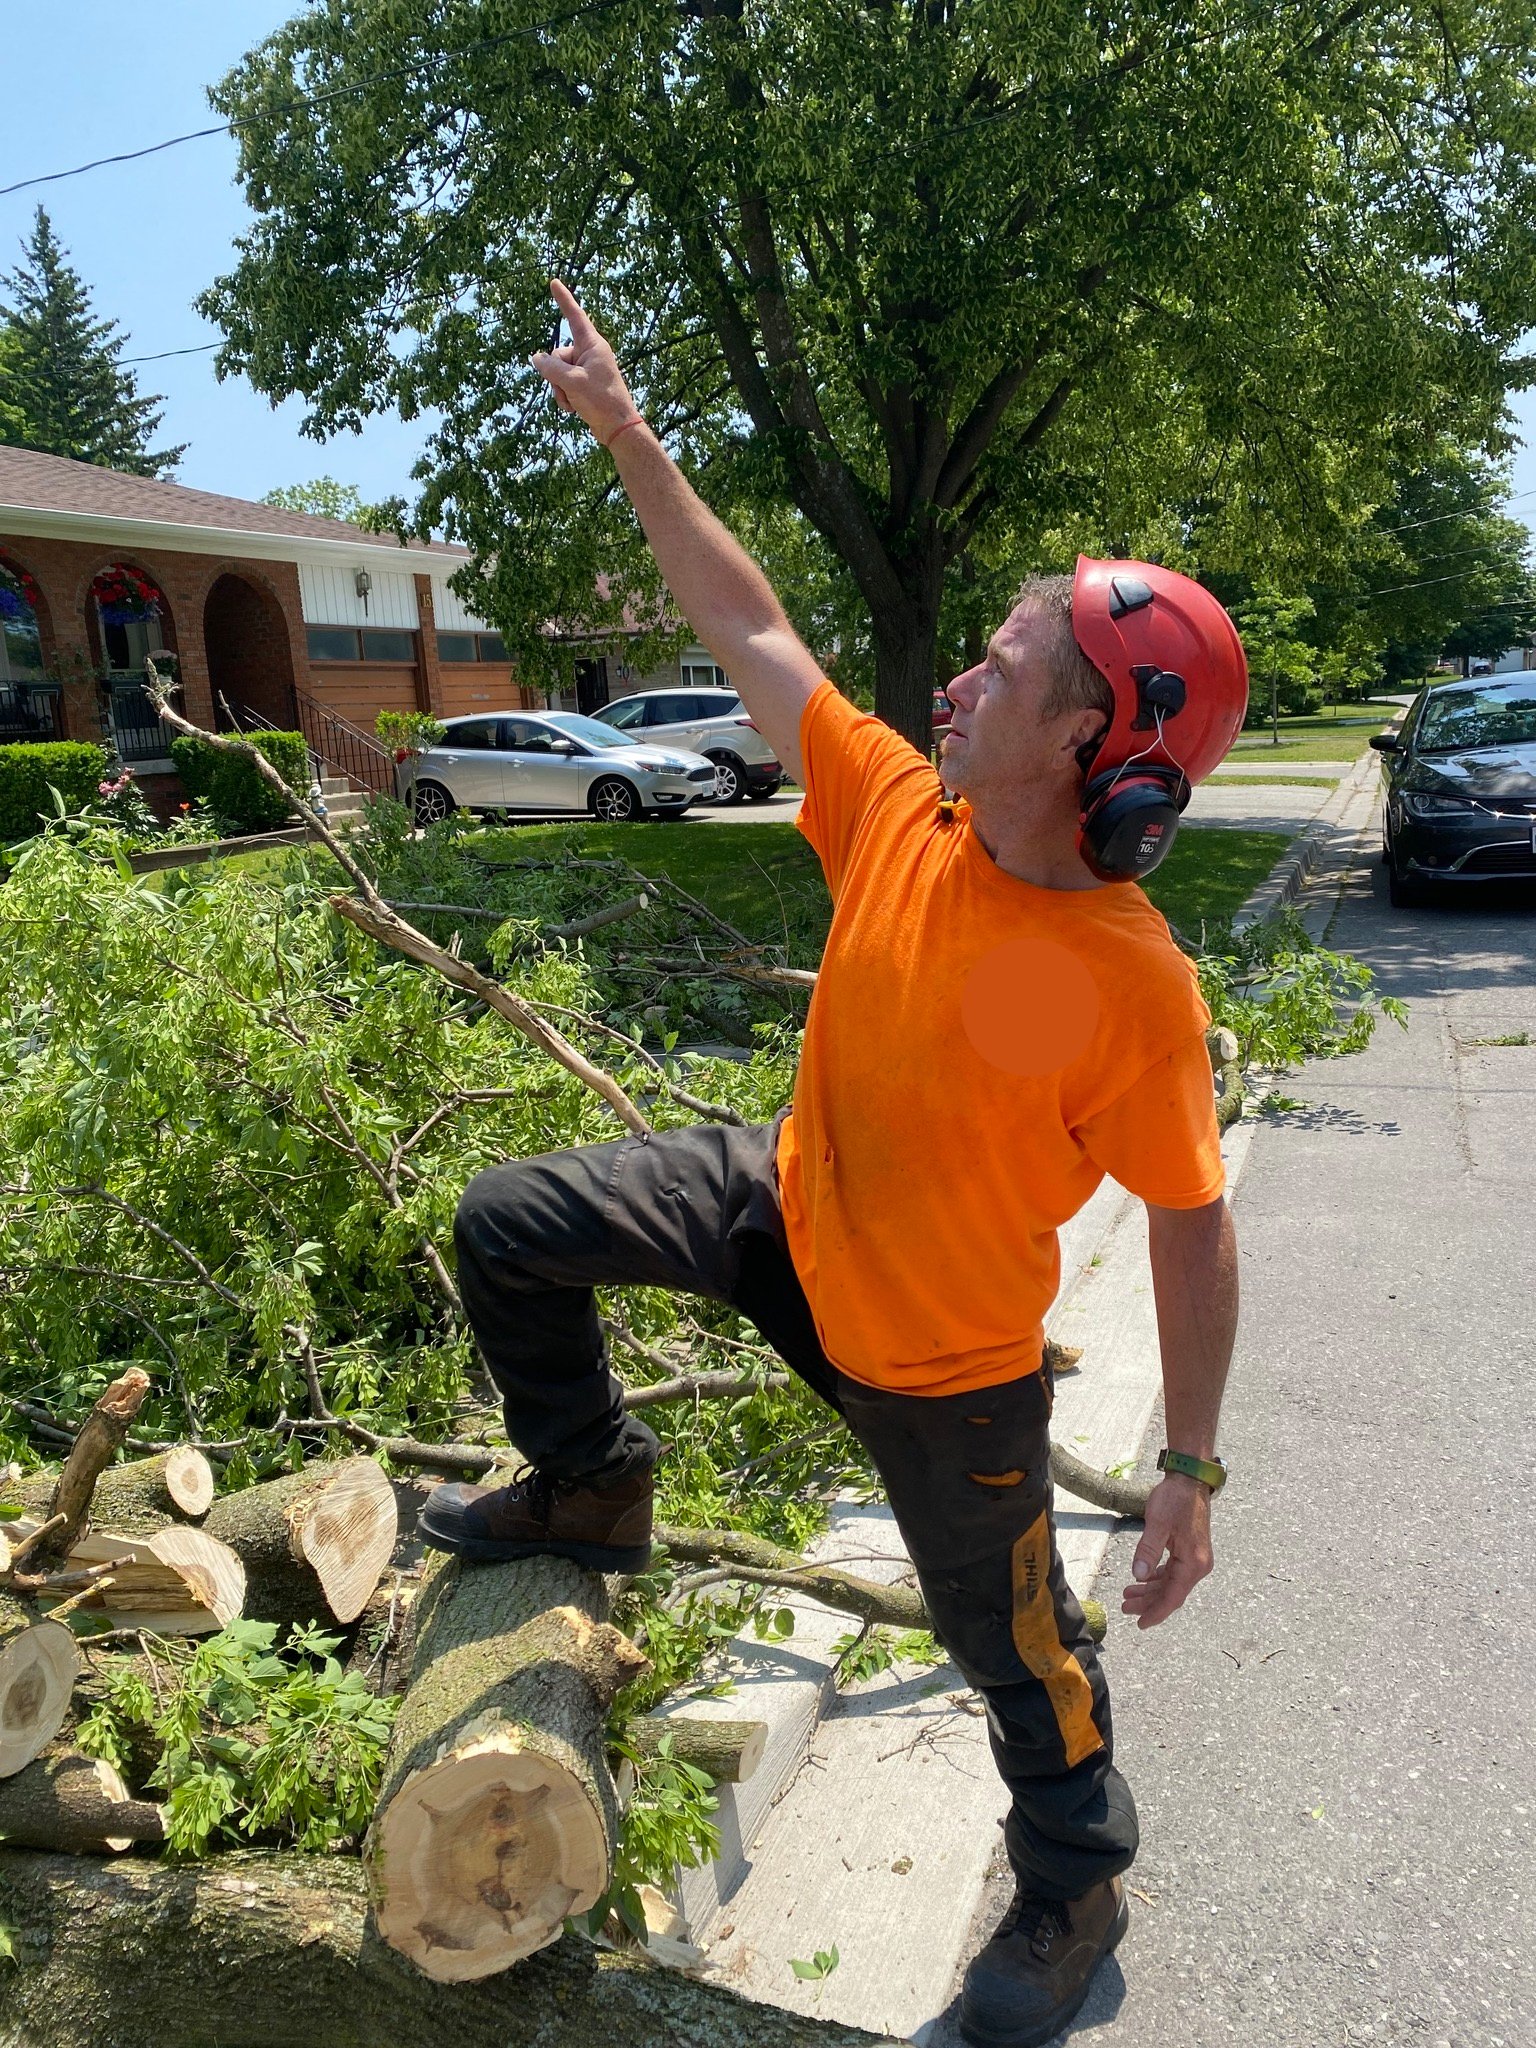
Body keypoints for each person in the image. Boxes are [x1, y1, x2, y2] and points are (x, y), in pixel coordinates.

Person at [422, 280, 1244, 2048]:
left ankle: (1076, 1877)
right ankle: (589, 1484)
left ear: (1096, 756)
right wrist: (630, 437)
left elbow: (1190, 1222)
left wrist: (1186, 1462)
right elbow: (749, 621)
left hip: (947, 1370)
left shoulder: (1130, 990)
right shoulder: (896, 806)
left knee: (1021, 1661)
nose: (954, 678)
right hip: (778, 1212)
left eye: (1003, 669)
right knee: (508, 1224)